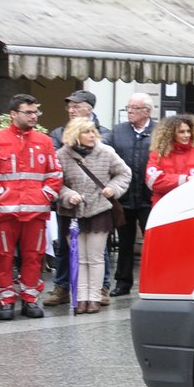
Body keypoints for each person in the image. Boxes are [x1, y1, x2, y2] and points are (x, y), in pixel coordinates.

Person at [54, 117, 131, 314]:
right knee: (78, 258)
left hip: (99, 210)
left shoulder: (105, 152)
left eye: (93, 131)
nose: (92, 135)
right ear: (75, 134)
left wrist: (112, 189)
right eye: (86, 132)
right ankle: (80, 298)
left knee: (95, 257)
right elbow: (55, 181)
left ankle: (95, 297)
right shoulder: (62, 155)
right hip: (72, 214)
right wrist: (68, 195)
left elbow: (124, 173)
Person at [0, 95, 59, 320]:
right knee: (2, 257)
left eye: (36, 113)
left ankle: (30, 300)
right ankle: (5, 301)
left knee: (34, 256)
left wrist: (45, 196)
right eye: (29, 112)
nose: (34, 116)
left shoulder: (44, 141)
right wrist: (0, 196)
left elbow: (54, 174)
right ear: (14, 114)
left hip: (36, 211)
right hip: (5, 212)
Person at [43, 91, 103, 309]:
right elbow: (55, 164)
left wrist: (111, 191)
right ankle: (62, 287)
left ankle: (99, 290)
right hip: (68, 201)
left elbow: (116, 169)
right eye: (69, 106)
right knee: (64, 247)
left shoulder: (104, 134)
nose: (71, 110)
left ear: (89, 109)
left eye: (76, 106)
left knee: (97, 250)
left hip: (97, 204)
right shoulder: (58, 134)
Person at [105, 93, 156, 297]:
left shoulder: (159, 131)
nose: (130, 111)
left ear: (147, 111)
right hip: (125, 197)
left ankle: (155, 281)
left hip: (149, 198)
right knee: (124, 243)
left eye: (135, 108)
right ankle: (123, 283)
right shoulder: (118, 132)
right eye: (129, 107)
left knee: (152, 242)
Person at [146, 114, 194, 204]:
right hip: (163, 205)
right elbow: (153, 181)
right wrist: (186, 179)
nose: (187, 135)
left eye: (188, 131)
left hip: (190, 205)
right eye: (181, 132)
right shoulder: (158, 154)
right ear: (171, 134)